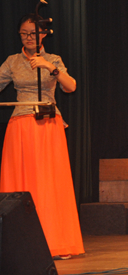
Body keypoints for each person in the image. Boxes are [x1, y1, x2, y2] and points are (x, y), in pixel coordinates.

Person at [0, 13, 83, 259]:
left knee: (50, 182)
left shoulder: (53, 59)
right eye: (24, 33)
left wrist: (51, 68)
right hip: (20, 125)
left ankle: (57, 242)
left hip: (48, 125)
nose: (28, 38)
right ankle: (19, 244)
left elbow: (71, 86)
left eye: (33, 34)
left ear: (43, 35)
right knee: (21, 181)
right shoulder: (12, 61)